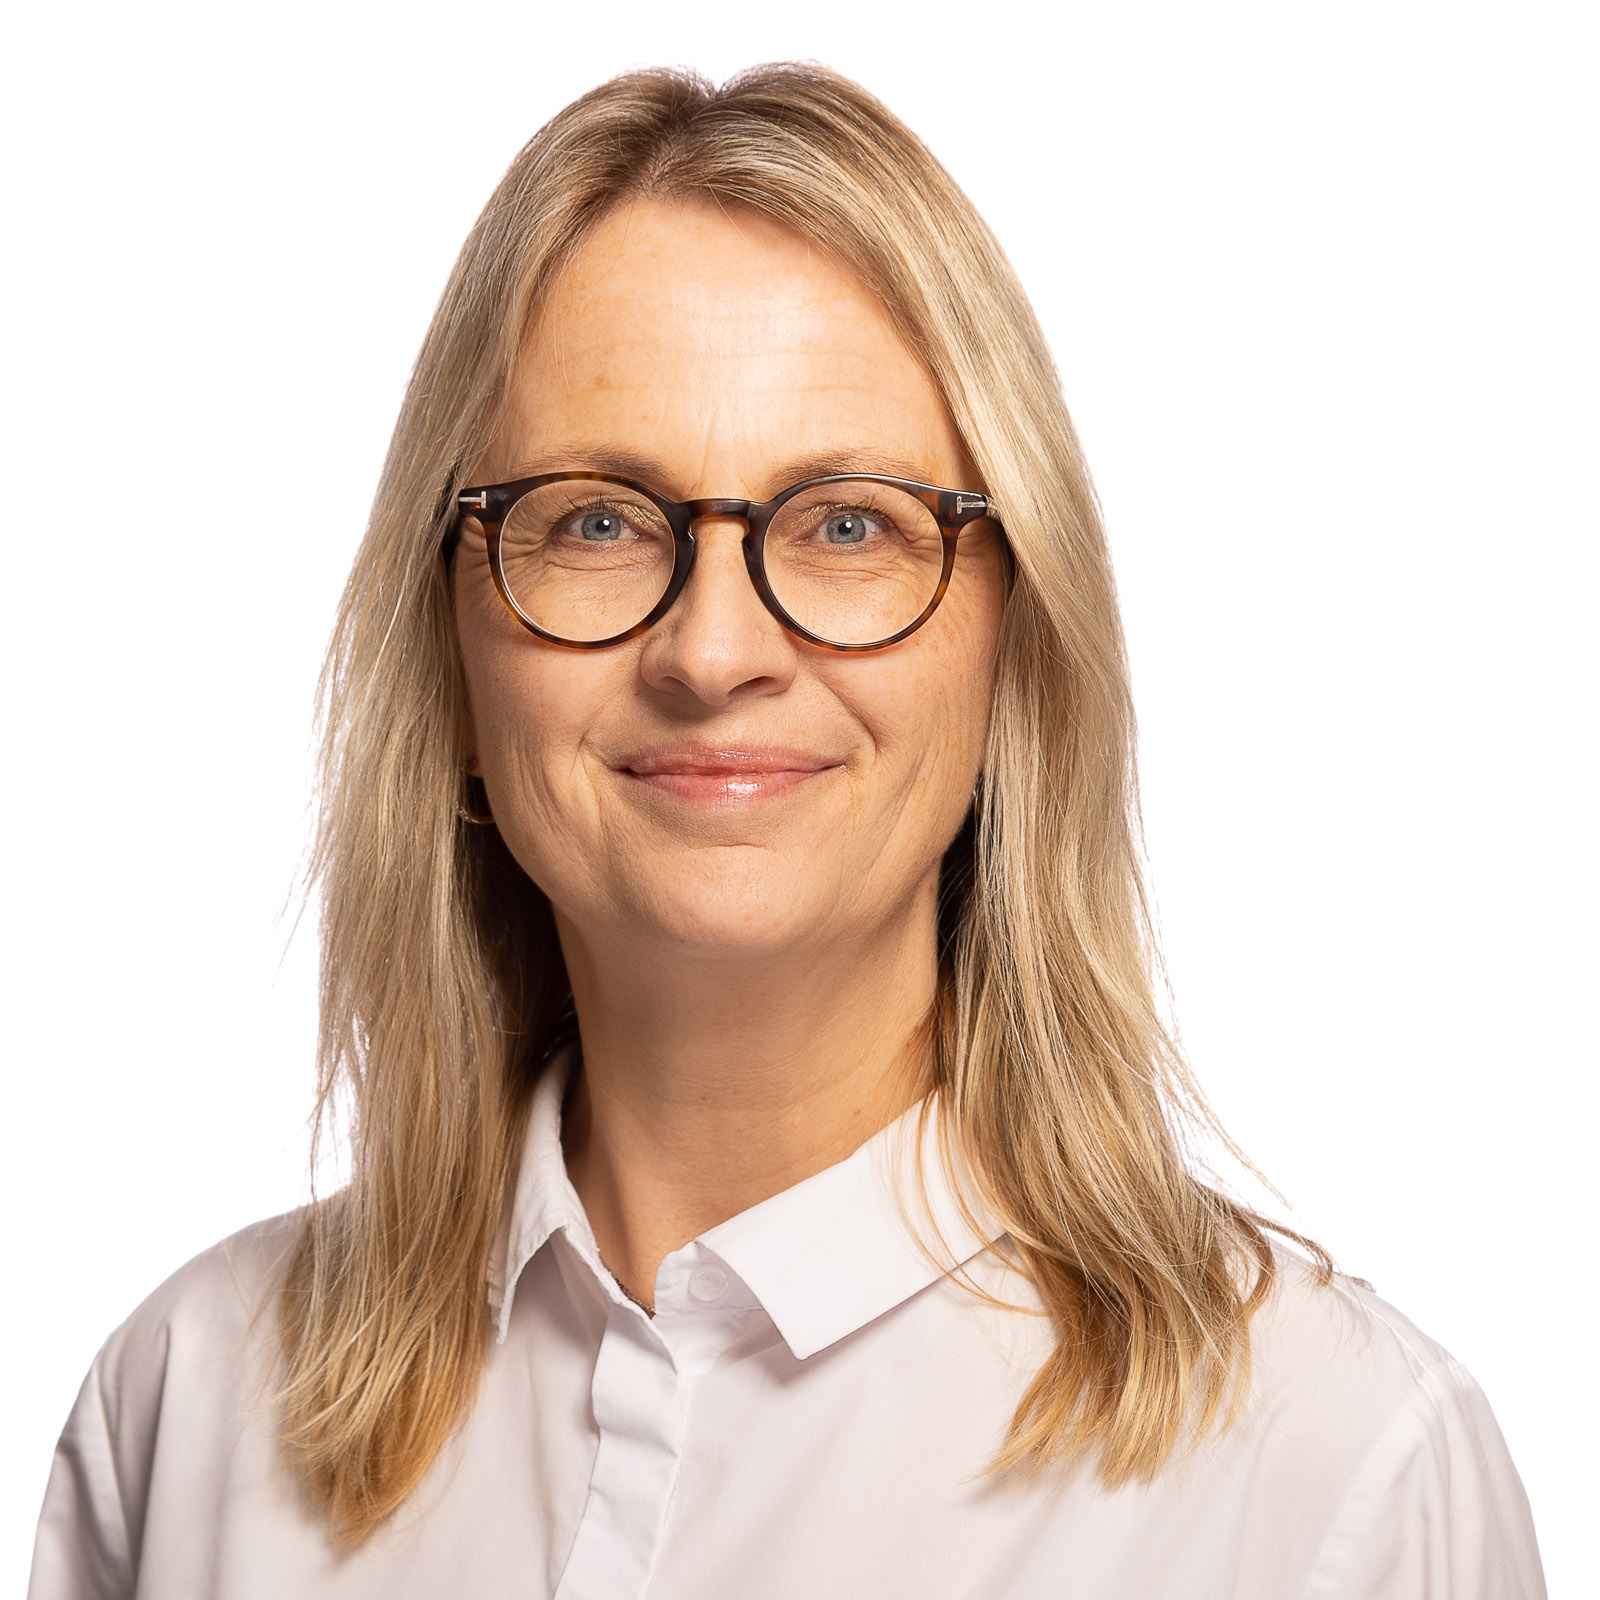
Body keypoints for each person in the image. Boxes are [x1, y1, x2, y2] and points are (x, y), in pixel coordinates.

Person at [28, 62, 1544, 1600]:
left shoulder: (1336, 1475)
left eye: (848, 524)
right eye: (599, 520)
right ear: (453, 660)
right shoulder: (186, 1408)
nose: (712, 653)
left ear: (1012, 653)